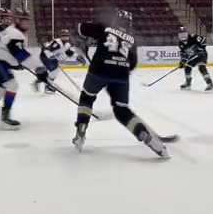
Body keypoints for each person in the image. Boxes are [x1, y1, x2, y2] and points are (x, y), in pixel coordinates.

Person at [73, 10, 170, 158]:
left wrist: (88, 34)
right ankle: (144, 135)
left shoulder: (103, 28)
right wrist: (117, 70)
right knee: (122, 111)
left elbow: (80, 28)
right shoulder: (132, 40)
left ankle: (81, 128)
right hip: (121, 75)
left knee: (87, 97)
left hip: (98, 70)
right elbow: (133, 63)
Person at [32, 29, 86, 94]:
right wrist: (51, 55)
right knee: (54, 71)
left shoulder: (67, 44)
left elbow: (68, 52)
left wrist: (77, 57)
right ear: (60, 36)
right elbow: (48, 50)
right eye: (63, 36)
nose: (65, 37)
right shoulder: (57, 42)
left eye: (66, 36)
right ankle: (48, 86)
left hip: (52, 58)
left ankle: (44, 84)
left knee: (54, 72)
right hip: (45, 57)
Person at [177, 27, 213, 92]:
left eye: (184, 34)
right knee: (187, 67)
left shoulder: (193, 37)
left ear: (187, 34)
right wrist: (182, 61)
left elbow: (203, 40)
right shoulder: (180, 44)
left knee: (201, 67)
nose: (183, 36)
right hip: (192, 57)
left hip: (201, 55)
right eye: (181, 35)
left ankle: (210, 84)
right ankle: (188, 83)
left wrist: (199, 49)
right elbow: (183, 53)